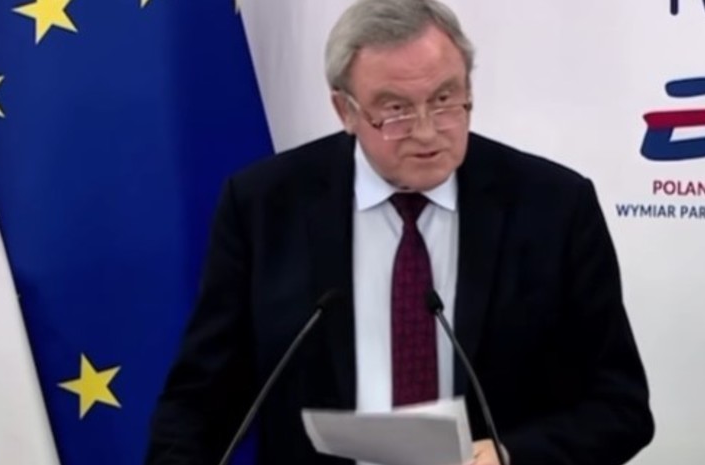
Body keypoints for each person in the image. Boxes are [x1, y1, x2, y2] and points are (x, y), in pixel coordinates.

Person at [145, 0, 655, 464]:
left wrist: (508, 456)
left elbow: (620, 407)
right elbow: (201, 399)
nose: (427, 131)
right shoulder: (265, 205)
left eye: (445, 99)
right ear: (345, 111)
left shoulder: (553, 207)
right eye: (395, 110)